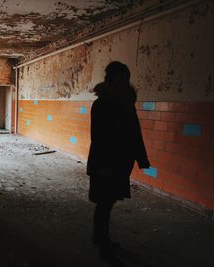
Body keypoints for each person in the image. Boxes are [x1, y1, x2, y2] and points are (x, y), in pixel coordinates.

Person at [87, 61, 150, 266]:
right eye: (121, 78)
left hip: (121, 162)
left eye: (127, 78)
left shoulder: (126, 102)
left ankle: (100, 238)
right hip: (106, 163)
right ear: (111, 79)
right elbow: (98, 137)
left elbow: (135, 132)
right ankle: (104, 249)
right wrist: (103, 165)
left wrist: (142, 158)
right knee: (104, 203)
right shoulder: (102, 103)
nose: (125, 82)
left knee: (109, 201)